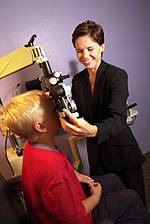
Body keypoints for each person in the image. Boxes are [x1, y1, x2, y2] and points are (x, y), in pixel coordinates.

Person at [1, 90, 150, 224]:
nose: (60, 114)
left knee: (113, 179)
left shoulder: (32, 146)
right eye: (54, 111)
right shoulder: (53, 170)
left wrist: (76, 175)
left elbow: (59, 167)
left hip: (63, 202)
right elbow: (73, 218)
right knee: (131, 198)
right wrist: (96, 197)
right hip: (77, 218)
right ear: (40, 127)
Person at [60, 20, 146, 205]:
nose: (84, 55)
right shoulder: (78, 81)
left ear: (102, 46)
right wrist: (65, 117)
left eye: (90, 48)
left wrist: (93, 131)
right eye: (79, 50)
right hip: (97, 155)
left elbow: (118, 118)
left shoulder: (117, 75)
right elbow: (80, 114)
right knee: (113, 203)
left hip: (122, 152)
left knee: (136, 204)